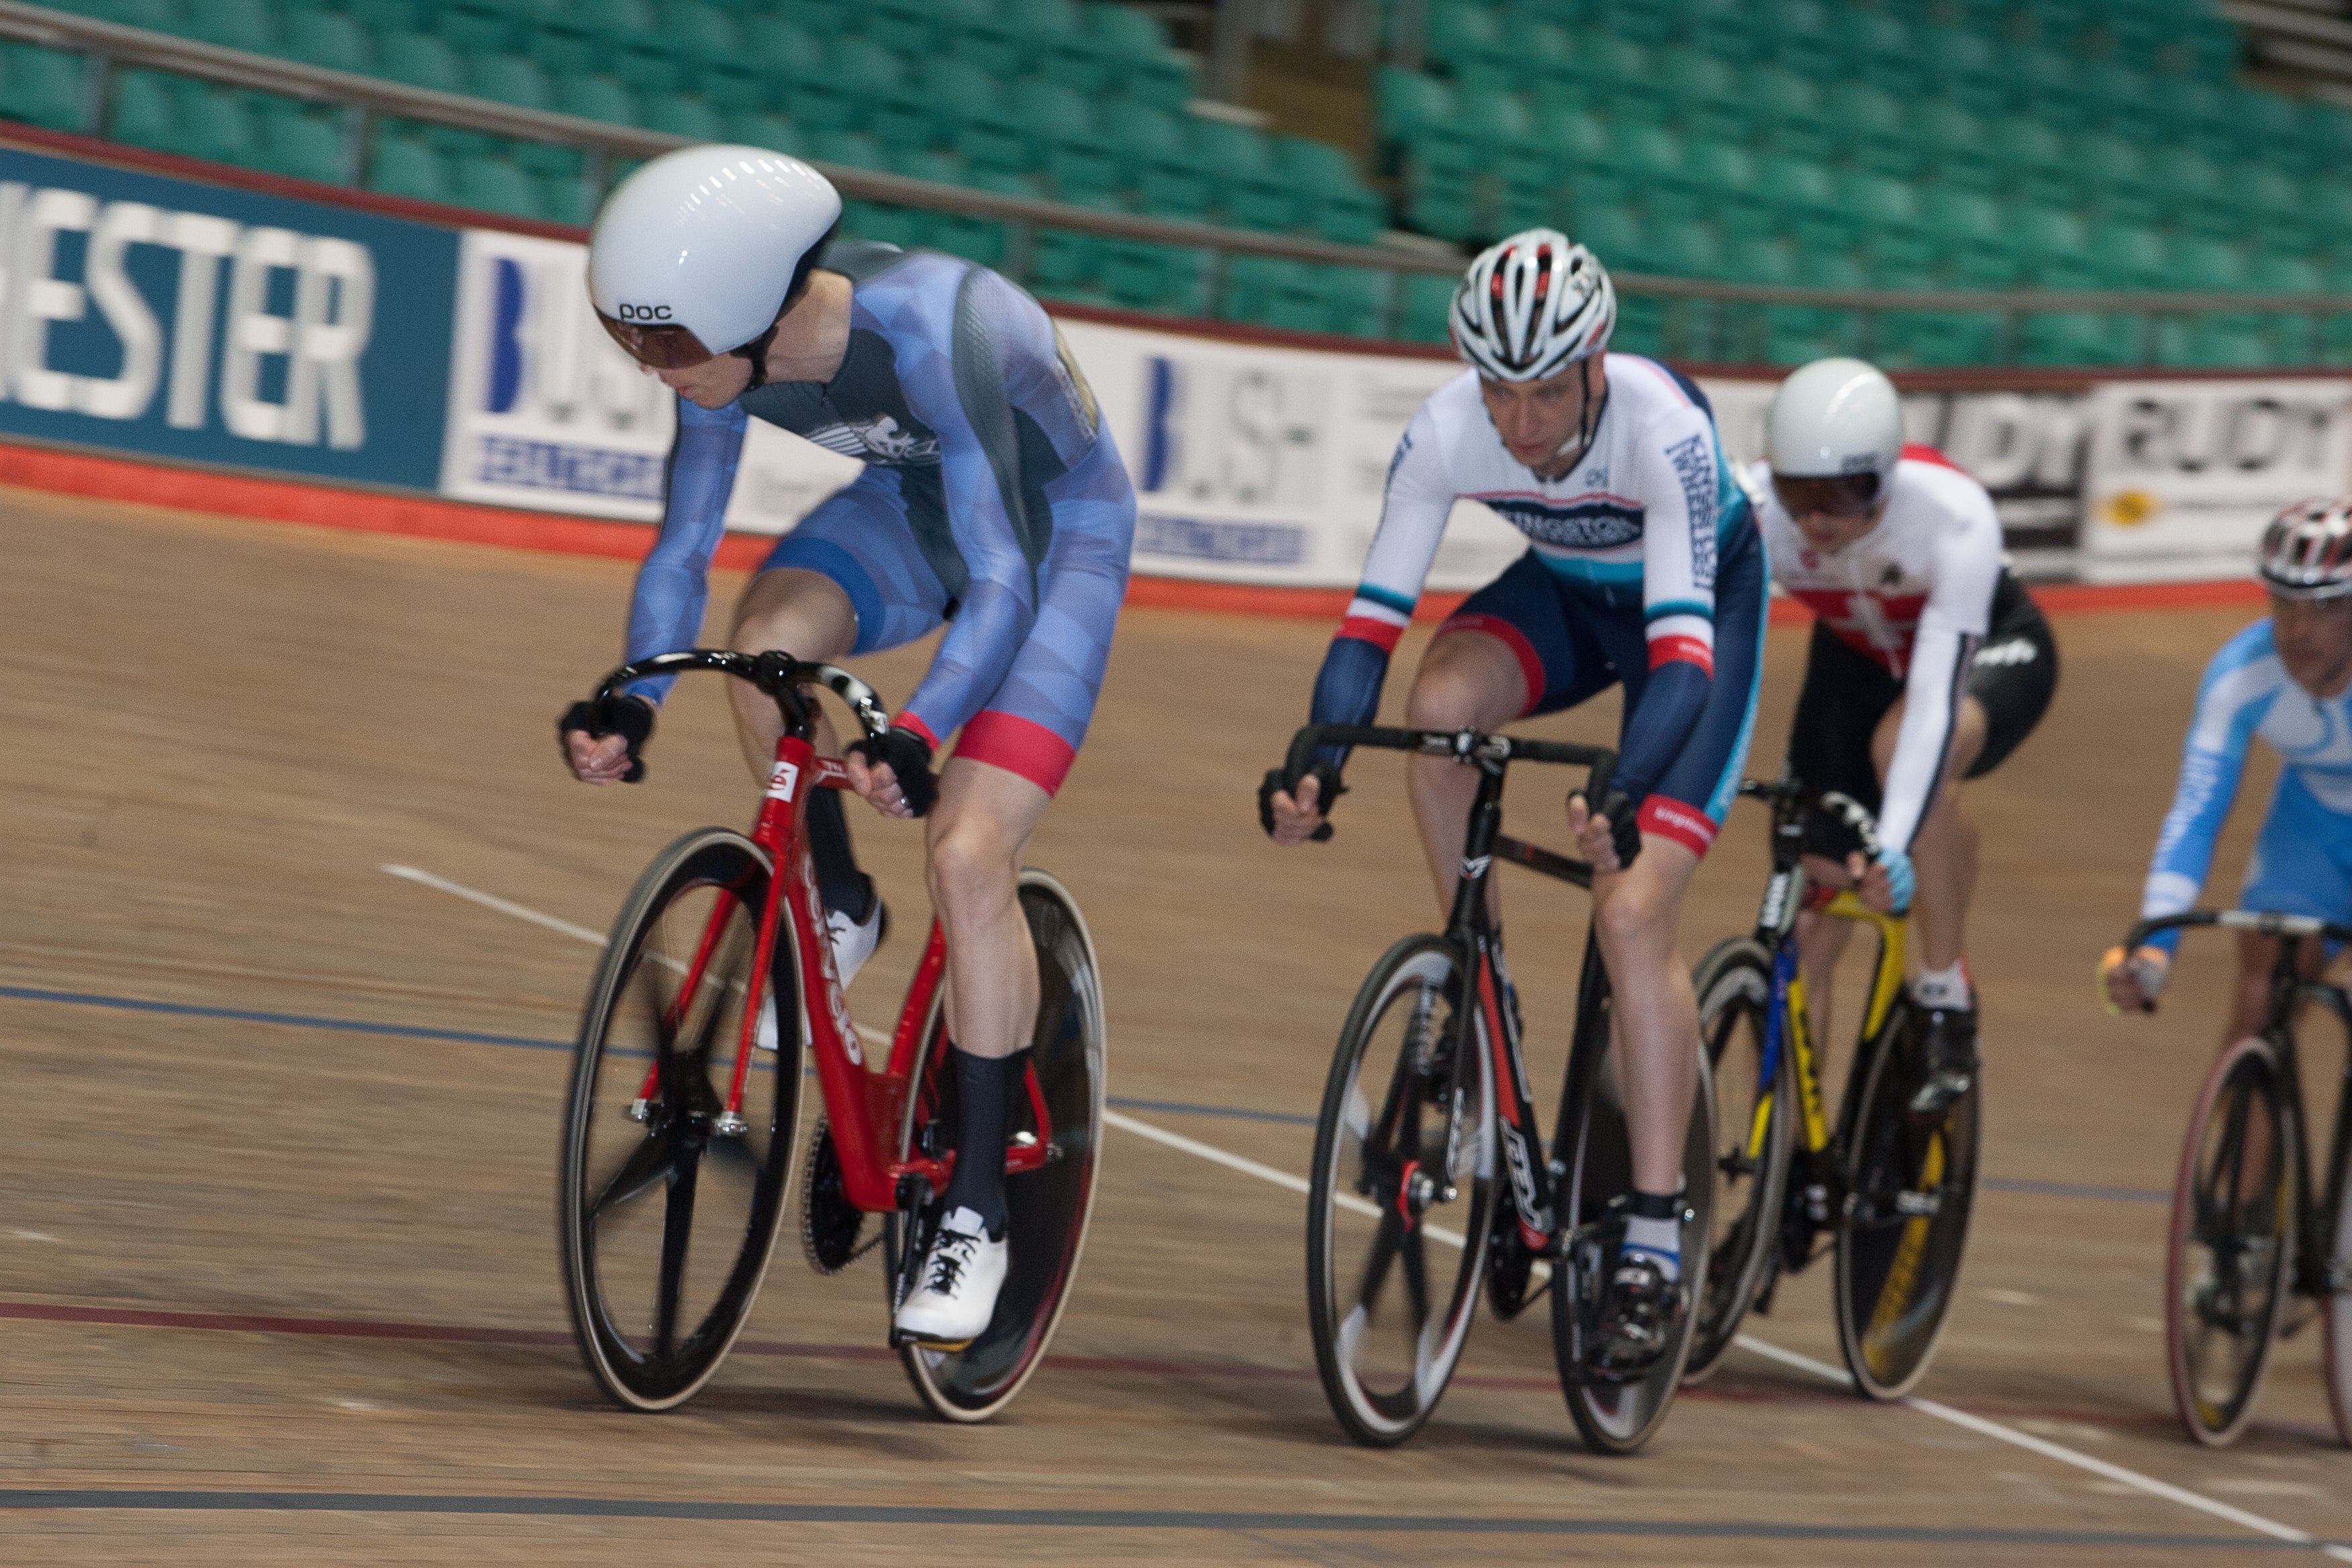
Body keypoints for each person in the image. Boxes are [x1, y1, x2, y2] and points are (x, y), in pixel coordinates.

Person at [557, 144, 1134, 1348]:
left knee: (971, 851)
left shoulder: (940, 327)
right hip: (913, 506)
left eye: (659, 345)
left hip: (1050, 541)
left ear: (750, 307)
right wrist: (634, 701)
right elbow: (683, 545)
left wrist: (918, 728)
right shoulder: (717, 351)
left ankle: (976, 1207)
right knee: (766, 646)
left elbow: (999, 580)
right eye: (630, 342)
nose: (648, 366)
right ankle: (836, 907)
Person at [1259, 228, 1765, 1375]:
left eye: (1543, 390)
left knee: (1631, 913)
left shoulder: (1663, 429)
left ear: (1595, 363)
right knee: (1438, 713)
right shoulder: (1443, 432)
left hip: (1691, 625)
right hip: (1563, 602)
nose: (1520, 422)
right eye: (1498, 388)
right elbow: (1368, 626)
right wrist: (1316, 764)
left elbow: (1680, 657)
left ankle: (1648, 1233)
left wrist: (1626, 786)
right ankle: (1470, 964)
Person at [1755, 358, 2057, 1120]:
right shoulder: (1755, 510)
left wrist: (1890, 842)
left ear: (1887, 476)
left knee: (1906, 759)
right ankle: (1791, 1165)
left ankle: (1945, 989)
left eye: (1847, 493)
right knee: (1815, 916)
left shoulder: (1951, 514)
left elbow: (1930, 700)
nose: (1819, 520)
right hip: (1854, 660)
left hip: (1984, 646)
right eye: (1800, 495)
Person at [2103, 499, 2352, 1032]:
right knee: (2260, 995)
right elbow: (2194, 816)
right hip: (2310, 831)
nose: (2299, 630)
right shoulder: (2240, 679)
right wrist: (2155, 945)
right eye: (2284, 604)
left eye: (2325, 607)